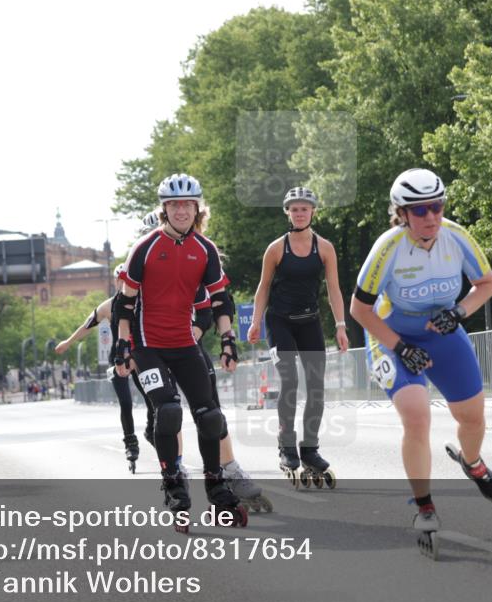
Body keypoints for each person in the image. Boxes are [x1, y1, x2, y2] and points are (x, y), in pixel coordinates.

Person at [349, 168, 492, 555]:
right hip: (392, 336)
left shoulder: (456, 236)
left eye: (436, 206)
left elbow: (486, 284)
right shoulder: (388, 248)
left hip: (442, 332)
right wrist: (401, 347)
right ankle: (424, 506)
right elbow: (359, 309)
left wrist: (458, 312)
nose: (431, 217)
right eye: (420, 210)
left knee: (472, 419)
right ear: (402, 214)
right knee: (417, 416)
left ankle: (472, 462)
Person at [115, 173, 246, 528]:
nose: (181, 211)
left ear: (196, 208)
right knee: (169, 411)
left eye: (187, 204)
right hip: (147, 346)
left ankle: (217, 489)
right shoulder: (144, 248)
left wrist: (228, 341)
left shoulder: (205, 251)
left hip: (185, 344)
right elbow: (123, 304)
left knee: (210, 416)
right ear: (164, 209)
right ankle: (174, 486)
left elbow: (220, 301)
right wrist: (123, 345)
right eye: (174, 205)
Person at [247, 186, 349, 487]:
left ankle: (310, 449)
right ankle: (287, 446)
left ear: (313, 211)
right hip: (280, 323)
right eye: (294, 209)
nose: (300, 213)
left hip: (309, 322)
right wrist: (255, 323)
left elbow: (333, 289)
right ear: (288, 213)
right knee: (290, 380)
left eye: (304, 208)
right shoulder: (277, 249)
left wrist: (341, 325)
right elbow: (263, 287)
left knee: (316, 387)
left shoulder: (325, 248)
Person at [56, 263, 143, 472]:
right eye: (120, 279)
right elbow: (87, 325)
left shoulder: (143, 303)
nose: (124, 283)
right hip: (119, 360)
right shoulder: (108, 306)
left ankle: (153, 430)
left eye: (127, 279)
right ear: (116, 281)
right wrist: (68, 342)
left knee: (152, 400)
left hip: (140, 358)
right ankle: (131, 444)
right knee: (126, 403)